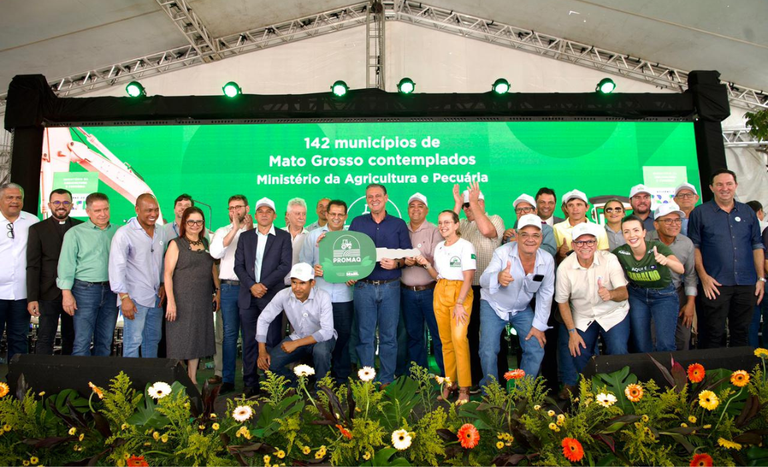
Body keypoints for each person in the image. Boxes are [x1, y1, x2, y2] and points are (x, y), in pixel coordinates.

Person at [689, 169, 765, 348]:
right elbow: (694, 247)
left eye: (729, 184)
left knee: (742, 334)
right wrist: (704, 277)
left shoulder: (747, 212)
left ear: (736, 185)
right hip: (715, 284)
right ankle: (711, 368)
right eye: (720, 184)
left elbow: (757, 246)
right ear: (711, 187)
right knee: (713, 334)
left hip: (746, 283)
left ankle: (741, 367)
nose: (725, 188)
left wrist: (761, 278)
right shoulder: (700, 213)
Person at [479, 214, 554, 387]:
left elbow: (546, 293)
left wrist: (539, 325)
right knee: (488, 350)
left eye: (535, 235)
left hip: (522, 308)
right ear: (517, 236)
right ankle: (491, 392)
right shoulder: (502, 252)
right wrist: (498, 277)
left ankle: (523, 393)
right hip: (493, 305)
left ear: (541, 238)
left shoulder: (547, 260)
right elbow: (483, 280)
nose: (530, 239)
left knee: (535, 346)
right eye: (525, 234)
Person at [350, 183, 412, 385]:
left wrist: (397, 263)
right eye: (370, 196)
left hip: (390, 286)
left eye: (378, 195)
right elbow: (348, 253)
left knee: (389, 337)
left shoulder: (398, 224)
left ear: (386, 198)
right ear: (366, 200)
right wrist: (349, 272)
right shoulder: (357, 223)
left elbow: (407, 256)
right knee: (365, 336)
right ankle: (367, 381)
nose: (374, 199)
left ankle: (386, 381)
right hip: (363, 287)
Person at [416, 210, 476, 404]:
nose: (443, 226)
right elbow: (438, 276)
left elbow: (469, 277)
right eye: (440, 222)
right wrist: (426, 264)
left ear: (457, 225)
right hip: (440, 290)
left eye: (447, 222)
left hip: (460, 293)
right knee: (445, 341)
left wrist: (459, 303)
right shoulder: (439, 247)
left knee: (459, 338)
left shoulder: (466, 246)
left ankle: (465, 387)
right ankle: (450, 383)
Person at [234, 197, 292, 397]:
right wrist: (252, 286)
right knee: (249, 341)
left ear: (275, 216)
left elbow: (285, 266)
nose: (264, 214)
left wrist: (263, 285)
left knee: (272, 340)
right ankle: (250, 382)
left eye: (269, 211)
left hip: (272, 296)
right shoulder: (245, 237)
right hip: (248, 296)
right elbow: (238, 266)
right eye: (261, 211)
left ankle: (271, 383)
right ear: (255, 215)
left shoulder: (284, 237)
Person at [556, 222, 629, 374]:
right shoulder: (564, 267)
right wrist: (572, 332)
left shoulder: (610, 259)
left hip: (612, 313)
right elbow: (562, 302)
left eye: (590, 241)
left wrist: (611, 294)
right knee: (578, 351)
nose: (585, 246)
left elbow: (624, 293)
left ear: (596, 244)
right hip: (583, 315)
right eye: (580, 242)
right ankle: (589, 387)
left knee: (618, 349)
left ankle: (617, 386)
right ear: (573, 245)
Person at [451, 181, 505, 390]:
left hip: (490, 289)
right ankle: (473, 379)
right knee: (469, 334)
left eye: (472, 203)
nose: (468, 208)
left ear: (481, 203)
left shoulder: (495, 219)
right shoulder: (463, 225)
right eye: (466, 206)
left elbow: (488, 231)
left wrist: (473, 204)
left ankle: (498, 382)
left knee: (492, 337)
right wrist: (458, 204)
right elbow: (448, 231)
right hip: (467, 288)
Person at [300, 200, 355, 383]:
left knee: (343, 338)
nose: (336, 218)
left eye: (340, 215)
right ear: (327, 214)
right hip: (318, 297)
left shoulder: (351, 238)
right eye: (333, 214)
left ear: (345, 216)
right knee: (316, 339)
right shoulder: (313, 236)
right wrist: (312, 270)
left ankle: (341, 379)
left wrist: (354, 275)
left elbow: (357, 264)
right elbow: (302, 264)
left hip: (344, 296)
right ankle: (315, 378)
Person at [58, 193, 119, 357]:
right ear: (88, 211)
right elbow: (66, 264)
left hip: (112, 291)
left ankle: (100, 374)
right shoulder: (75, 233)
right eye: (98, 210)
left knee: (105, 341)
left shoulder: (118, 231)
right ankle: (79, 375)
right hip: (85, 290)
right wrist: (66, 293)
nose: (103, 214)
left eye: (106, 209)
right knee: (82, 341)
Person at [164, 207, 220, 384]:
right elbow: (167, 274)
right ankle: (177, 380)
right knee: (178, 339)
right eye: (191, 222)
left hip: (202, 299)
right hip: (180, 299)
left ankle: (192, 379)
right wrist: (171, 302)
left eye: (199, 222)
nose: (195, 225)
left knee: (196, 338)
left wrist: (217, 290)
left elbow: (212, 268)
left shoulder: (206, 242)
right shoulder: (175, 244)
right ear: (184, 223)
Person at [614, 215, 684, 352]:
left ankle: (667, 367)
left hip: (664, 295)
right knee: (641, 344)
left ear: (644, 232)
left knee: (665, 343)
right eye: (627, 231)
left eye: (636, 230)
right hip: (637, 295)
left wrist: (667, 261)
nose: (632, 235)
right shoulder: (621, 252)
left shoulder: (657, 247)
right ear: (623, 235)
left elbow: (680, 269)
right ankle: (648, 367)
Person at [256, 263, 336, 384]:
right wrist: (262, 351)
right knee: (269, 364)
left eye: (302, 283)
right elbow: (263, 319)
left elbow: (327, 332)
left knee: (321, 352)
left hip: (322, 340)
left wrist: (296, 343)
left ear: (312, 283)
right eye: (294, 282)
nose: (297, 288)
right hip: (298, 336)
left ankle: (322, 389)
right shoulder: (283, 294)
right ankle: (297, 383)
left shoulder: (323, 296)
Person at [109, 194, 167, 358]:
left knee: (153, 339)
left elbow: (162, 262)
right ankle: (129, 375)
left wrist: (163, 284)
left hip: (156, 298)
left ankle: (150, 374)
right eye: (148, 210)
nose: (153, 214)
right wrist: (124, 297)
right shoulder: (124, 233)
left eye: (156, 210)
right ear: (137, 210)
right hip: (134, 298)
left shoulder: (161, 232)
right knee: (133, 341)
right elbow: (116, 267)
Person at [27, 188, 82, 355]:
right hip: (47, 292)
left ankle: (69, 371)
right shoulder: (37, 229)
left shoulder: (81, 227)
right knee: (45, 336)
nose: (61, 206)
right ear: (49, 205)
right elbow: (33, 265)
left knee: (72, 336)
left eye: (65, 202)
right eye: (57, 202)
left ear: (72, 205)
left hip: (75, 291)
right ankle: (41, 371)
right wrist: (32, 298)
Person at [209, 195, 253, 393]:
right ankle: (227, 379)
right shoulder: (222, 231)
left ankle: (249, 378)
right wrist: (234, 229)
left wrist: (247, 230)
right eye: (231, 208)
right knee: (229, 335)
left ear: (247, 209)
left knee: (249, 335)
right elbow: (215, 254)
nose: (235, 211)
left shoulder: (256, 230)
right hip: (228, 288)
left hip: (249, 288)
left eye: (238, 207)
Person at [401, 193, 444, 375]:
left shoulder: (435, 230)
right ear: (408, 210)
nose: (416, 209)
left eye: (420, 206)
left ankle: (447, 378)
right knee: (414, 337)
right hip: (407, 292)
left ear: (426, 210)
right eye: (412, 206)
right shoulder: (401, 229)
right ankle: (419, 377)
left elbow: (437, 260)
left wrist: (418, 260)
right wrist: (404, 260)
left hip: (430, 291)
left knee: (438, 335)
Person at [648, 203, 698, 350]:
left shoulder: (686, 243)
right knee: (656, 340)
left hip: (677, 292)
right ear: (656, 224)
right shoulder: (646, 240)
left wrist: (690, 303)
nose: (674, 224)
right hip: (652, 294)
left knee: (683, 339)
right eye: (668, 220)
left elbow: (690, 276)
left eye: (677, 220)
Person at [0, 183, 37, 361]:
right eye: (10, 197)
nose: (14, 201)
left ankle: (16, 378)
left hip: (22, 294)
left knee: (19, 339)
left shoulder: (32, 221)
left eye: (18, 198)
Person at [553, 189, 610, 264]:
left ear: (587, 207)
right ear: (566, 208)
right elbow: (552, 261)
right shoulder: (557, 228)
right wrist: (560, 254)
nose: (575, 209)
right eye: (571, 205)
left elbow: (605, 258)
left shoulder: (599, 229)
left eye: (579, 204)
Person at [283, 198, 309, 285]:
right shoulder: (277, 235)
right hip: (278, 285)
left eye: (304, 214)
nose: (301, 217)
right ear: (288, 215)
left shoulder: (310, 237)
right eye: (298, 214)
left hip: (301, 286)